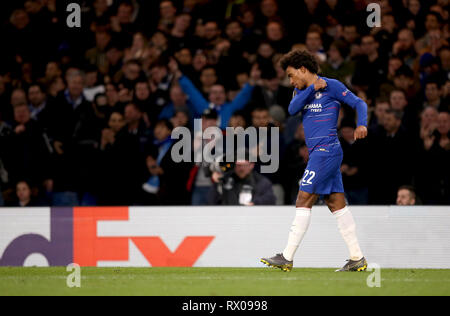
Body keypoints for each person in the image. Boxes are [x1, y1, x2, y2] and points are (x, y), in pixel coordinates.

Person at [261, 50, 368, 272]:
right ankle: (357, 257)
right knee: (336, 203)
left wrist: (362, 124)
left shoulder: (333, 86)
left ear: (303, 69)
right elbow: (291, 110)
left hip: (326, 150)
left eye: (291, 75)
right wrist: (311, 88)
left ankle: (287, 257)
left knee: (303, 197)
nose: (291, 81)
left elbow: (360, 104)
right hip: (320, 152)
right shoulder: (300, 91)